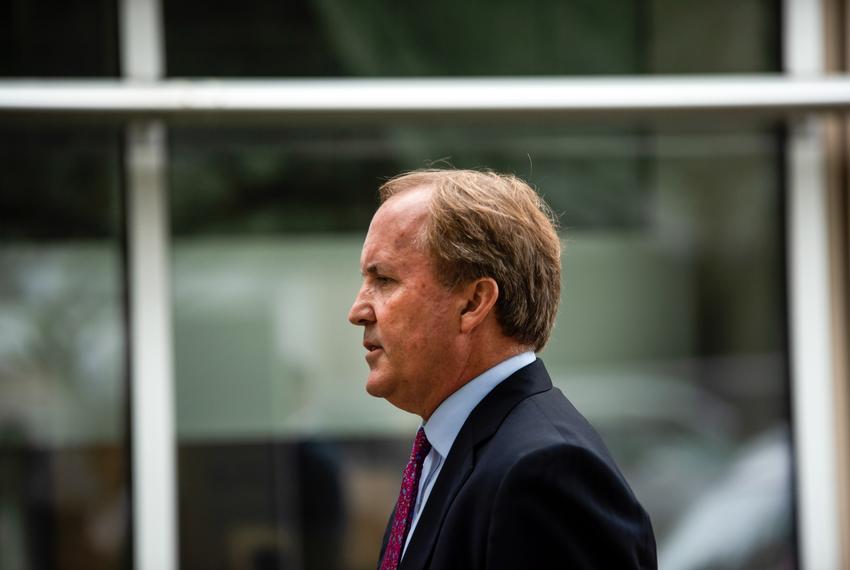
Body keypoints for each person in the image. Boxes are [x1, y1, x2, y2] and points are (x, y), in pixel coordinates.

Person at [348, 169, 657, 569]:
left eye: (384, 279)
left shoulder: (544, 473)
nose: (357, 310)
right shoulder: (446, 452)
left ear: (474, 303)